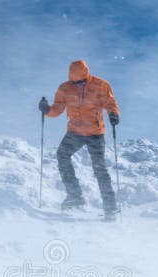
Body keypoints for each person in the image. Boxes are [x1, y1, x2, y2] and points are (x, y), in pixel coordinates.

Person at [39, 60, 120, 216]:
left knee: (99, 169)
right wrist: (47, 109)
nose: (78, 83)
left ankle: (110, 208)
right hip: (75, 131)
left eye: (81, 80)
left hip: (95, 132)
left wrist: (113, 114)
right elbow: (57, 109)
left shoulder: (100, 84)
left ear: (86, 74)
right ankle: (75, 195)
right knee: (62, 155)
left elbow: (110, 103)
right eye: (75, 80)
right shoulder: (65, 88)